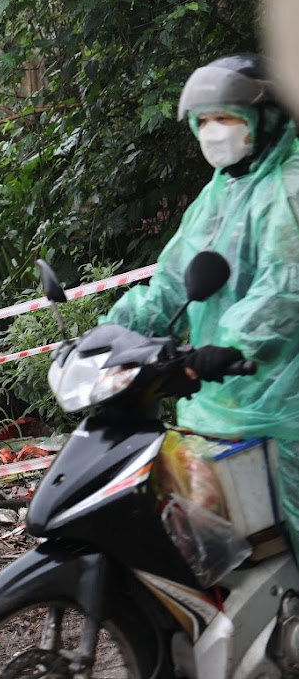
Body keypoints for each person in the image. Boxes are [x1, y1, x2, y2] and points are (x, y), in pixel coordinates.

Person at [105, 53, 299, 546]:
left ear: (265, 120)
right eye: (204, 120)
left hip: (281, 404)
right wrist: (113, 334)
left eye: (227, 118)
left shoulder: (289, 188)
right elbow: (170, 284)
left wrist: (234, 344)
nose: (214, 132)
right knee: (220, 551)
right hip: (218, 403)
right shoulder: (215, 198)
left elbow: (285, 286)